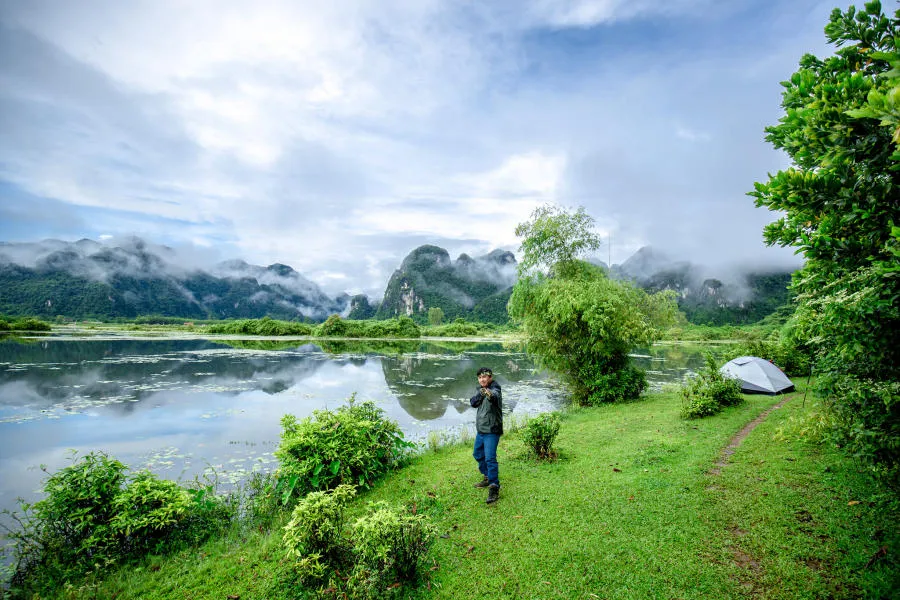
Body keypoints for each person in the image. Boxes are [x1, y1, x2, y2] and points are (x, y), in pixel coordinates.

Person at [470, 366, 503, 504]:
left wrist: (488, 393)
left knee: (490, 459)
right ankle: (488, 477)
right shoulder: (480, 390)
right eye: (480, 377)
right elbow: (473, 402)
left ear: (490, 377)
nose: (482, 379)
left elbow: (494, 396)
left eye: (484, 377)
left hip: (492, 430)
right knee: (477, 454)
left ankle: (494, 487)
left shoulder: (495, 388)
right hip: (481, 430)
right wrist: (481, 393)